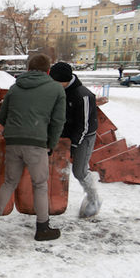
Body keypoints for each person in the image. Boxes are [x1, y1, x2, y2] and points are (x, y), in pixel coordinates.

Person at [0, 53, 66, 241]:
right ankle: (42, 228)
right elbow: (58, 122)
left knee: (9, 182)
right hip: (36, 143)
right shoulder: (56, 90)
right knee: (40, 185)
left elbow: (1, 118)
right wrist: (51, 144)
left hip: (12, 142)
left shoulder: (15, 88)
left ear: (28, 69)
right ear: (48, 70)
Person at [49, 62, 102, 218]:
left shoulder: (83, 95)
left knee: (79, 171)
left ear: (65, 80)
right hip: (65, 135)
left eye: (56, 82)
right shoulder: (59, 90)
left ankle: (94, 199)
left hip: (83, 137)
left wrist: (73, 145)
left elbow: (84, 125)